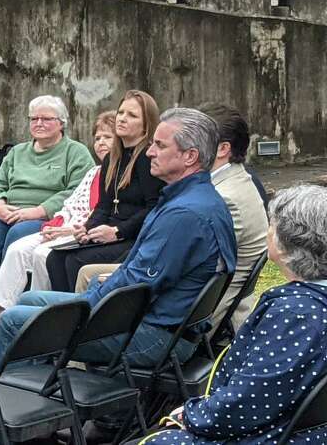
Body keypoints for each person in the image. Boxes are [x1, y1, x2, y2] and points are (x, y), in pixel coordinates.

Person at [0, 108, 236, 445]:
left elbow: (135, 284)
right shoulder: (196, 199)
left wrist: (84, 304)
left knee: (16, 320)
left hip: (154, 334)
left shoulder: (184, 214)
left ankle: (5, 432)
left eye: (159, 145)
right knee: (30, 299)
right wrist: (94, 291)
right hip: (162, 323)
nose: (149, 152)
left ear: (190, 156)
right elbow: (139, 276)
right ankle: (37, 423)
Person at [129, 184, 327, 444]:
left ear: (284, 241)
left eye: (272, 226)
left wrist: (192, 415)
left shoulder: (296, 312)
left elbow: (254, 397)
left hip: (270, 434)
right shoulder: (307, 303)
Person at [74, 104, 268, 334]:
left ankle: (72, 346)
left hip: (192, 316)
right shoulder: (222, 185)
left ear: (222, 148)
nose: (150, 152)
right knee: (86, 275)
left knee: (87, 280)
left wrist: (119, 276)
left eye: (161, 144)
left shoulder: (219, 197)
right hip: (184, 301)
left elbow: (175, 269)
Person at [0, 111, 115, 351]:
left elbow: (72, 196)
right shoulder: (18, 152)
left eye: (46, 119)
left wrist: (40, 213)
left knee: (20, 239)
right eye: (34, 118)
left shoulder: (75, 153)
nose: (39, 123)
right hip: (17, 213)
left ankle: (28, 321)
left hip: (44, 215)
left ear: (61, 123)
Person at [44, 90, 164, 291]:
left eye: (132, 115)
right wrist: (88, 228)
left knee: (77, 261)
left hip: (134, 237)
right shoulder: (112, 158)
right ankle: (64, 315)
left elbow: (155, 207)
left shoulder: (147, 158)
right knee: (54, 258)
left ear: (146, 125)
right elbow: (104, 205)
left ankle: (84, 316)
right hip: (108, 232)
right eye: (121, 112)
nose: (123, 119)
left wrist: (117, 232)